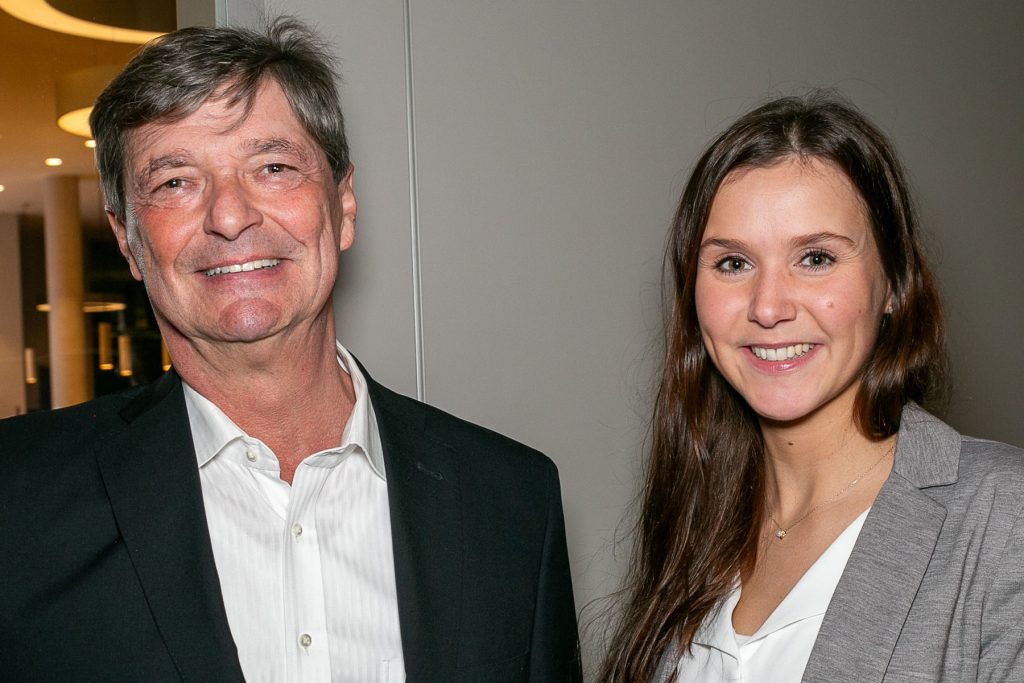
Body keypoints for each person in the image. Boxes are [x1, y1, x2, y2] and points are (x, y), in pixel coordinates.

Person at [0, 19, 580, 682]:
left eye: (273, 168)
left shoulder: (511, 499)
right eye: (175, 183)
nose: (229, 216)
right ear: (128, 241)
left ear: (344, 204)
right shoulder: (16, 502)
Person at [600, 93, 1024, 681]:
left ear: (895, 283)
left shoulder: (1003, 516)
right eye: (733, 263)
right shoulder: (693, 525)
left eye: (816, 258)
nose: (768, 307)